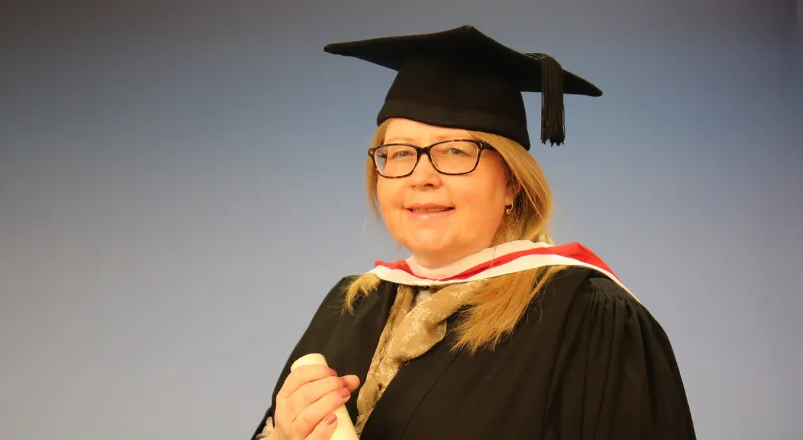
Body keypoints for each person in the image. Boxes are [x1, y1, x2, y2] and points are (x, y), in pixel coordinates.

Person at [251, 25, 697, 440]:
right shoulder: (350, 306)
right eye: (399, 153)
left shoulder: (586, 316)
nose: (420, 176)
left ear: (513, 184)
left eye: (455, 151)